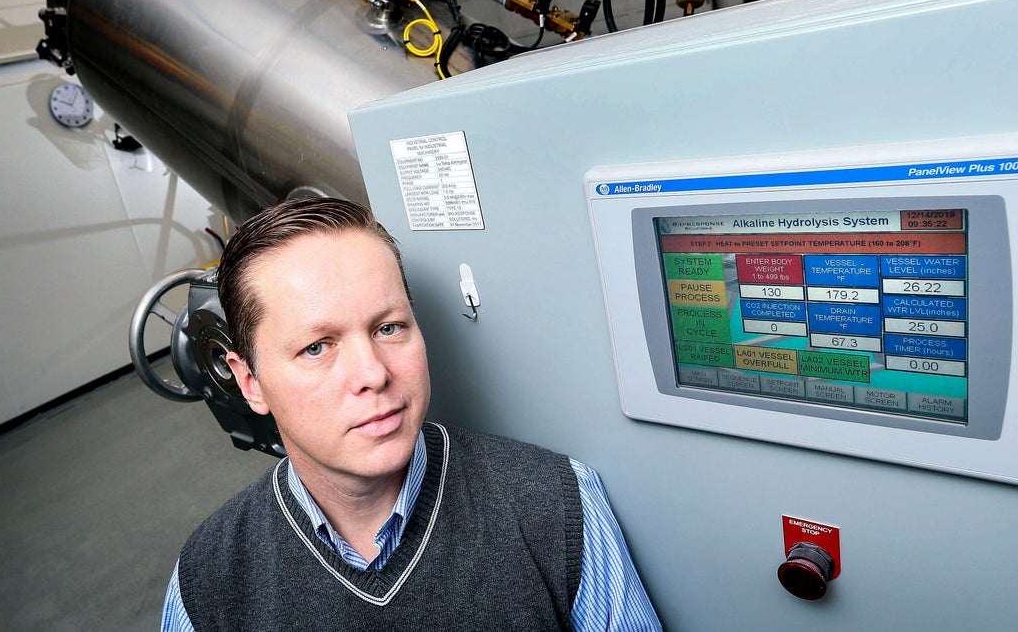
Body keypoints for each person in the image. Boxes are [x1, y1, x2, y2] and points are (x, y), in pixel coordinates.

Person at [162, 197, 661, 631]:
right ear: (250, 382)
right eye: (317, 347)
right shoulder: (207, 581)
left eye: (389, 328)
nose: (373, 374)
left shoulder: (556, 505)